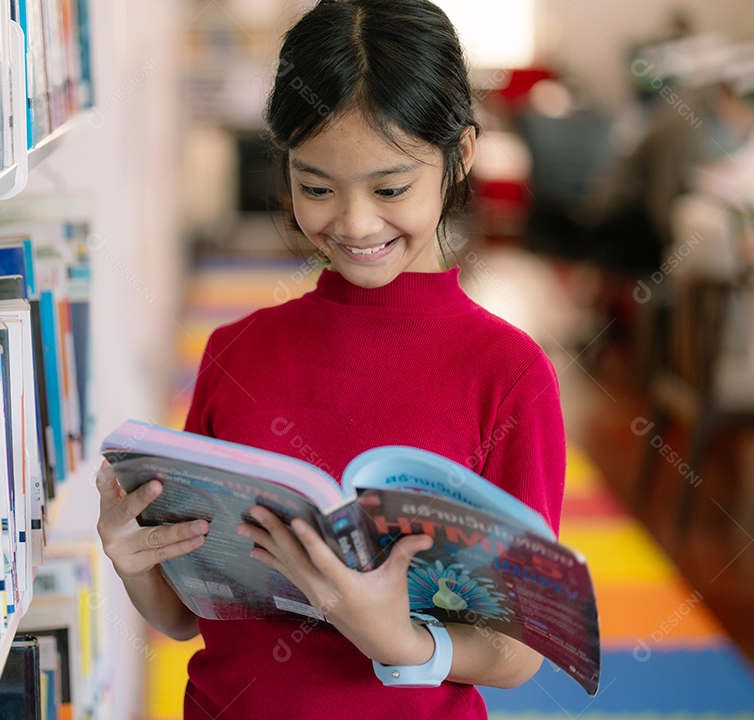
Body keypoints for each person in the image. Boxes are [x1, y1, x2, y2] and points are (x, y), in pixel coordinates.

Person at [95, 1, 566, 717]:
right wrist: (135, 564)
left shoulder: (509, 374)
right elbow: (188, 614)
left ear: (462, 155)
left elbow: (520, 650)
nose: (354, 222)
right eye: (316, 187)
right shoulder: (235, 349)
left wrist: (399, 640)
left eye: (390, 188)